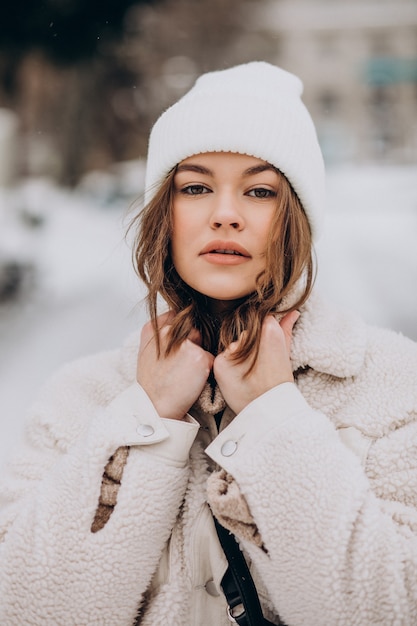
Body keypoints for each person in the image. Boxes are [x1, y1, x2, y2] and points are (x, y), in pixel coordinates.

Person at [0, 61, 417, 626]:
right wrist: (146, 420)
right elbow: (26, 608)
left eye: (260, 190)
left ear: (297, 216)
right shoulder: (79, 398)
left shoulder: (392, 386)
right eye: (195, 187)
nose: (225, 215)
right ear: (163, 217)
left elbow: (390, 608)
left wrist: (274, 418)